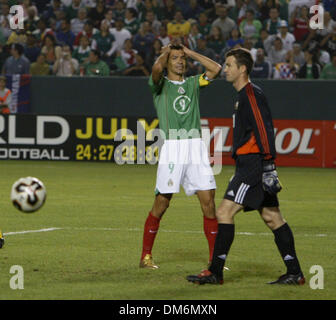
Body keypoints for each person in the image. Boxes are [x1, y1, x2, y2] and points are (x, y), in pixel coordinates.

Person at [187, 48, 305, 285]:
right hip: (254, 163)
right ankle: (295, 272)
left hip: (253, 165)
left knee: (224, 212)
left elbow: (263, 128)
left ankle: (215, 272)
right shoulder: (245, 95)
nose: (226, 69)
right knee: (272, 217)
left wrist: (268, 163)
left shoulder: (250, 94)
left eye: (229, 65)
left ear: (242, 69)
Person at [139, 43, 222, 269]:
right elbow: (156, 70)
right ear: (167, 61)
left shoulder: (194, 83)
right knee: (162, 203)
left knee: (209, 203)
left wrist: (190, 52)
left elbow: (216, 69)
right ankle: (145, 256)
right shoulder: (160, 86)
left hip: (196, 147)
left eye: (182, 58)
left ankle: (215, 260)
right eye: (175, 58)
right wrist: (166, 53)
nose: (180, 61)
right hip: (173, 148)